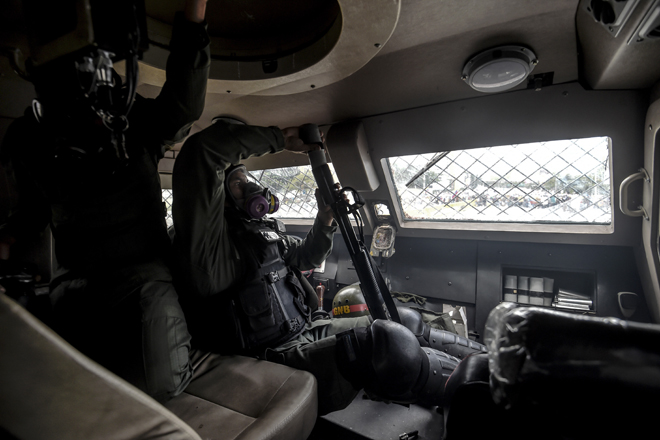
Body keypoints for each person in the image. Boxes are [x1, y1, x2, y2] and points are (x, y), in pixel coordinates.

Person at [172, 120, 486, 414]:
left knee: (402, 321)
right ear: (219, 199)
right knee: (388, 346)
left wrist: (325, 220)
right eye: (238, 186)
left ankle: (489, 364)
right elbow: (202, 153)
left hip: (307, 329)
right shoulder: (206, 248)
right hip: (269, 354)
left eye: (249, 180)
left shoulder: (262, 233)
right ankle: (473, 403)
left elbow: (306, 257)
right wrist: (282, 139)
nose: (252, 190)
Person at [0, 0, 210, 403]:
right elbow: (31, 211)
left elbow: (183, 105)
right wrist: (7, 240)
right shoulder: (28, 138)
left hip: (143, 281)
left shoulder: (131, 120)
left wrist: (194, 17)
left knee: (160, 384)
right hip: (76, 284)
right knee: (66, 388)